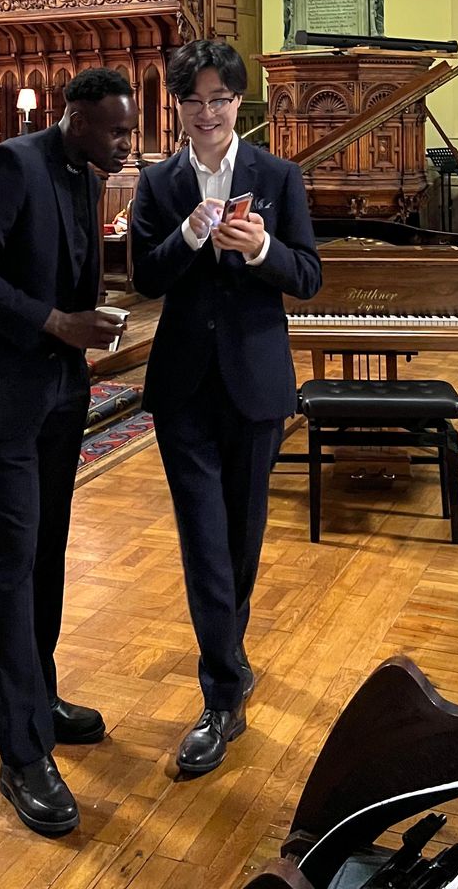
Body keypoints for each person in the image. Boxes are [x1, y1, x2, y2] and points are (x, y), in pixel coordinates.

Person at [0, 68, 139, 836]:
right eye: (117, 130)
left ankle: (39, 699)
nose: (128, 143)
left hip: (59, 390)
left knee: (47, 551)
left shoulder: (84, 174)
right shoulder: (9, 165)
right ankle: (21, 755)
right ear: (76, 118)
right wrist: (54, 322)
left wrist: (85, 320)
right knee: (12, 562)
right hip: (3, 390)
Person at [131, 40, 321, 775]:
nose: (206, 113)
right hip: (182, 387)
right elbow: (146, 278)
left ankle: (230, 659)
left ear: (239, 102)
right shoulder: (159, 182)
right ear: (176, 106)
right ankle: (220, 698)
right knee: (203, 539)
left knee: (241, 537)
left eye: (219, 99)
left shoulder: (278, 176)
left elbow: (308, 276)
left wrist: (263, 249)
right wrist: (187, 235)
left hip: (255, 383)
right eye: (193, 101)